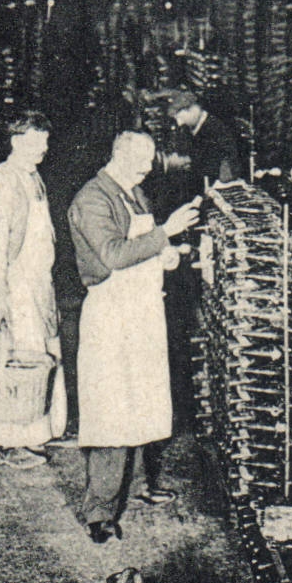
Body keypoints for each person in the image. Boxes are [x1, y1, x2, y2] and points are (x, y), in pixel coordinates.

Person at [67, 131, 201, 544]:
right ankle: (100, 512)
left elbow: (140, 247)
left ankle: (141, 485)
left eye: (150, 160)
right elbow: (113, 255)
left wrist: (170, 255)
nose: (148, 168)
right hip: (112, 314)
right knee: (112, 412)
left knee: (144, 399)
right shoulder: (93, 198)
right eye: (141, 161)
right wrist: (166, 233)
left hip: (141, 310)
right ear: (118, 155)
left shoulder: (132, 191)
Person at [0, 110, 66, 468]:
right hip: (10, 286)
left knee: (34, 359)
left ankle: (30, 435)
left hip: (35, 283)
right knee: (10, 360)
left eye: (46, 141)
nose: (44, 148)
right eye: (35, 141)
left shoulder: (31, 178)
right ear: (15, 141)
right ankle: (5, 442)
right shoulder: (0, 184)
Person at [162, 90, 242, 193]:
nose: (179, 123)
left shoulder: (215, 128)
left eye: (180, 117)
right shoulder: (190, 127)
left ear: (193, 110)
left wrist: (186, 161)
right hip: (201, 181)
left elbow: (215, 162)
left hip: (219, 183)